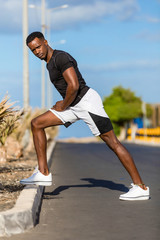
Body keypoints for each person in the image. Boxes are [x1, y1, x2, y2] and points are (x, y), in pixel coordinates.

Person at [20, 31, 150, 201]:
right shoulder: (49, 63)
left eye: (38, 47)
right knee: (37, 123)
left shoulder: (60, 57)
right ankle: (43, 173)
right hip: (72, 104)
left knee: (112, 142)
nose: (37, 51)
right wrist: (65, 104)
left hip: (86, 103)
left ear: (45, 41)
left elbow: (73, 86)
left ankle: (140, 187)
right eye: (33, 50)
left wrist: (63, 105)